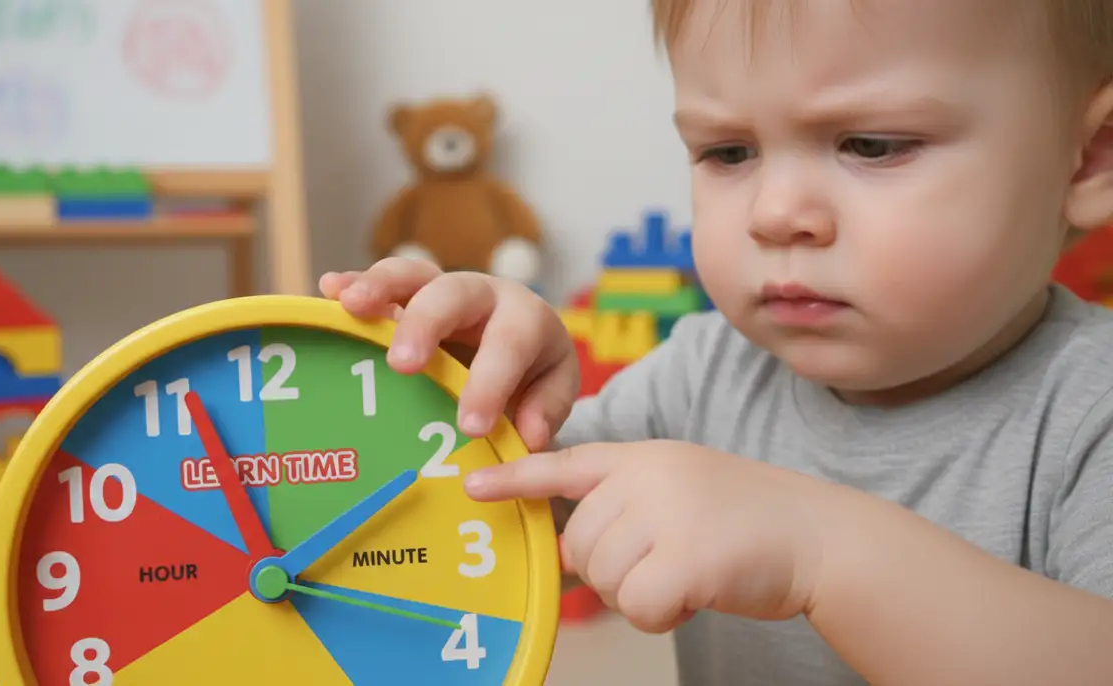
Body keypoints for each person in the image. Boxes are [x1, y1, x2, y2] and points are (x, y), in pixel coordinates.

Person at [320, 0, 1113, 683]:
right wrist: (473, 401)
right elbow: (487, 517)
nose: (774, 212)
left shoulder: (1091, 411)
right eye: (728, 152)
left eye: (872, 144)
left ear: (1089, 158)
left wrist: (820, 551)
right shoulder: (706, 375)